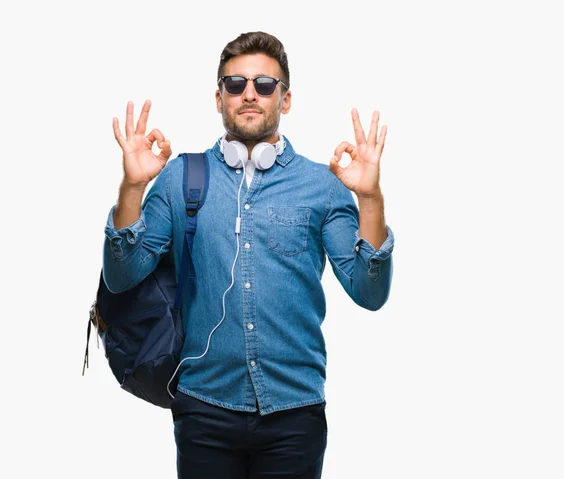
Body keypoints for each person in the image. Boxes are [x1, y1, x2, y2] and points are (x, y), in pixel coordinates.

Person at [103, 31, 394, 479]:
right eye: (235, 85)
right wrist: (133, 187)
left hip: (294, 411)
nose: (250, 94)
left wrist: (370, 199)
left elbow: (369, 293)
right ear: (219, 98)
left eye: (264, 84)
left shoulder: (322, 185)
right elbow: (121, 276)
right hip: (205, 407)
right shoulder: (181, 177)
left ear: (286, 99)